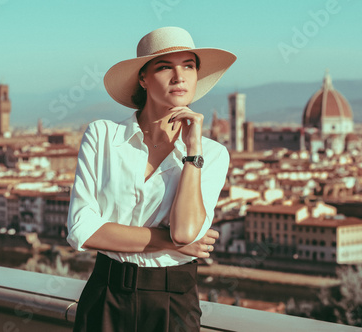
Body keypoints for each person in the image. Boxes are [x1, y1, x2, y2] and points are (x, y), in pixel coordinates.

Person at [67, 26, 236, 332]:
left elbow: (185, 233)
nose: (179, 76)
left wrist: (192, 150)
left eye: (188, 66)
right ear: (142, 78)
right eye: (164, 67)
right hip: (105, 294)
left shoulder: (212, 154)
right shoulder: (103, 136)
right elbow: (82, 231)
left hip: (174, 302)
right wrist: (168, 242)